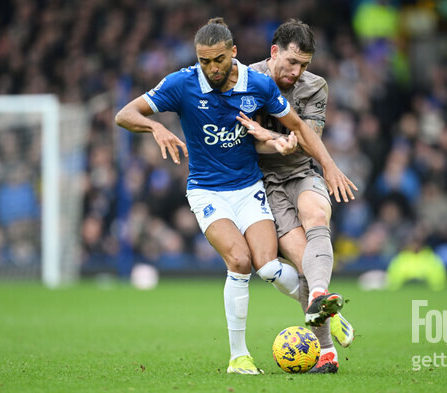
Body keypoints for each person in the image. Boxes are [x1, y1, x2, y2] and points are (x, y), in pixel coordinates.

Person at [115, 18, 356, 375]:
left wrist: (320, 160)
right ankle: (238, 357)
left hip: (250, 188)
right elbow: (125, 114)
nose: (211, 67)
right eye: (204, 60)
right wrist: (155, 126)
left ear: (234, 53)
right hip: (207, 191)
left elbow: (299, 126)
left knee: (271, 267)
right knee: (240, 261)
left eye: (218, 59)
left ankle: (322, 310)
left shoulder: (257, 84)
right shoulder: (182, 83)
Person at [236, 19, 355, 373]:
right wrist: (271, 140)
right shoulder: (244, 79)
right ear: (274, 52)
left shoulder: (315, 86)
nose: (296, 71)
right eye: (291, 62)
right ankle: (328, 346)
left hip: (302, 172)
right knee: (304, 262)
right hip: (263, 182)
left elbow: (309, 134)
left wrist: (318, 159)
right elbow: (242, 138)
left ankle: (320, 298)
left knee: (317, 213)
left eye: (303, 64)